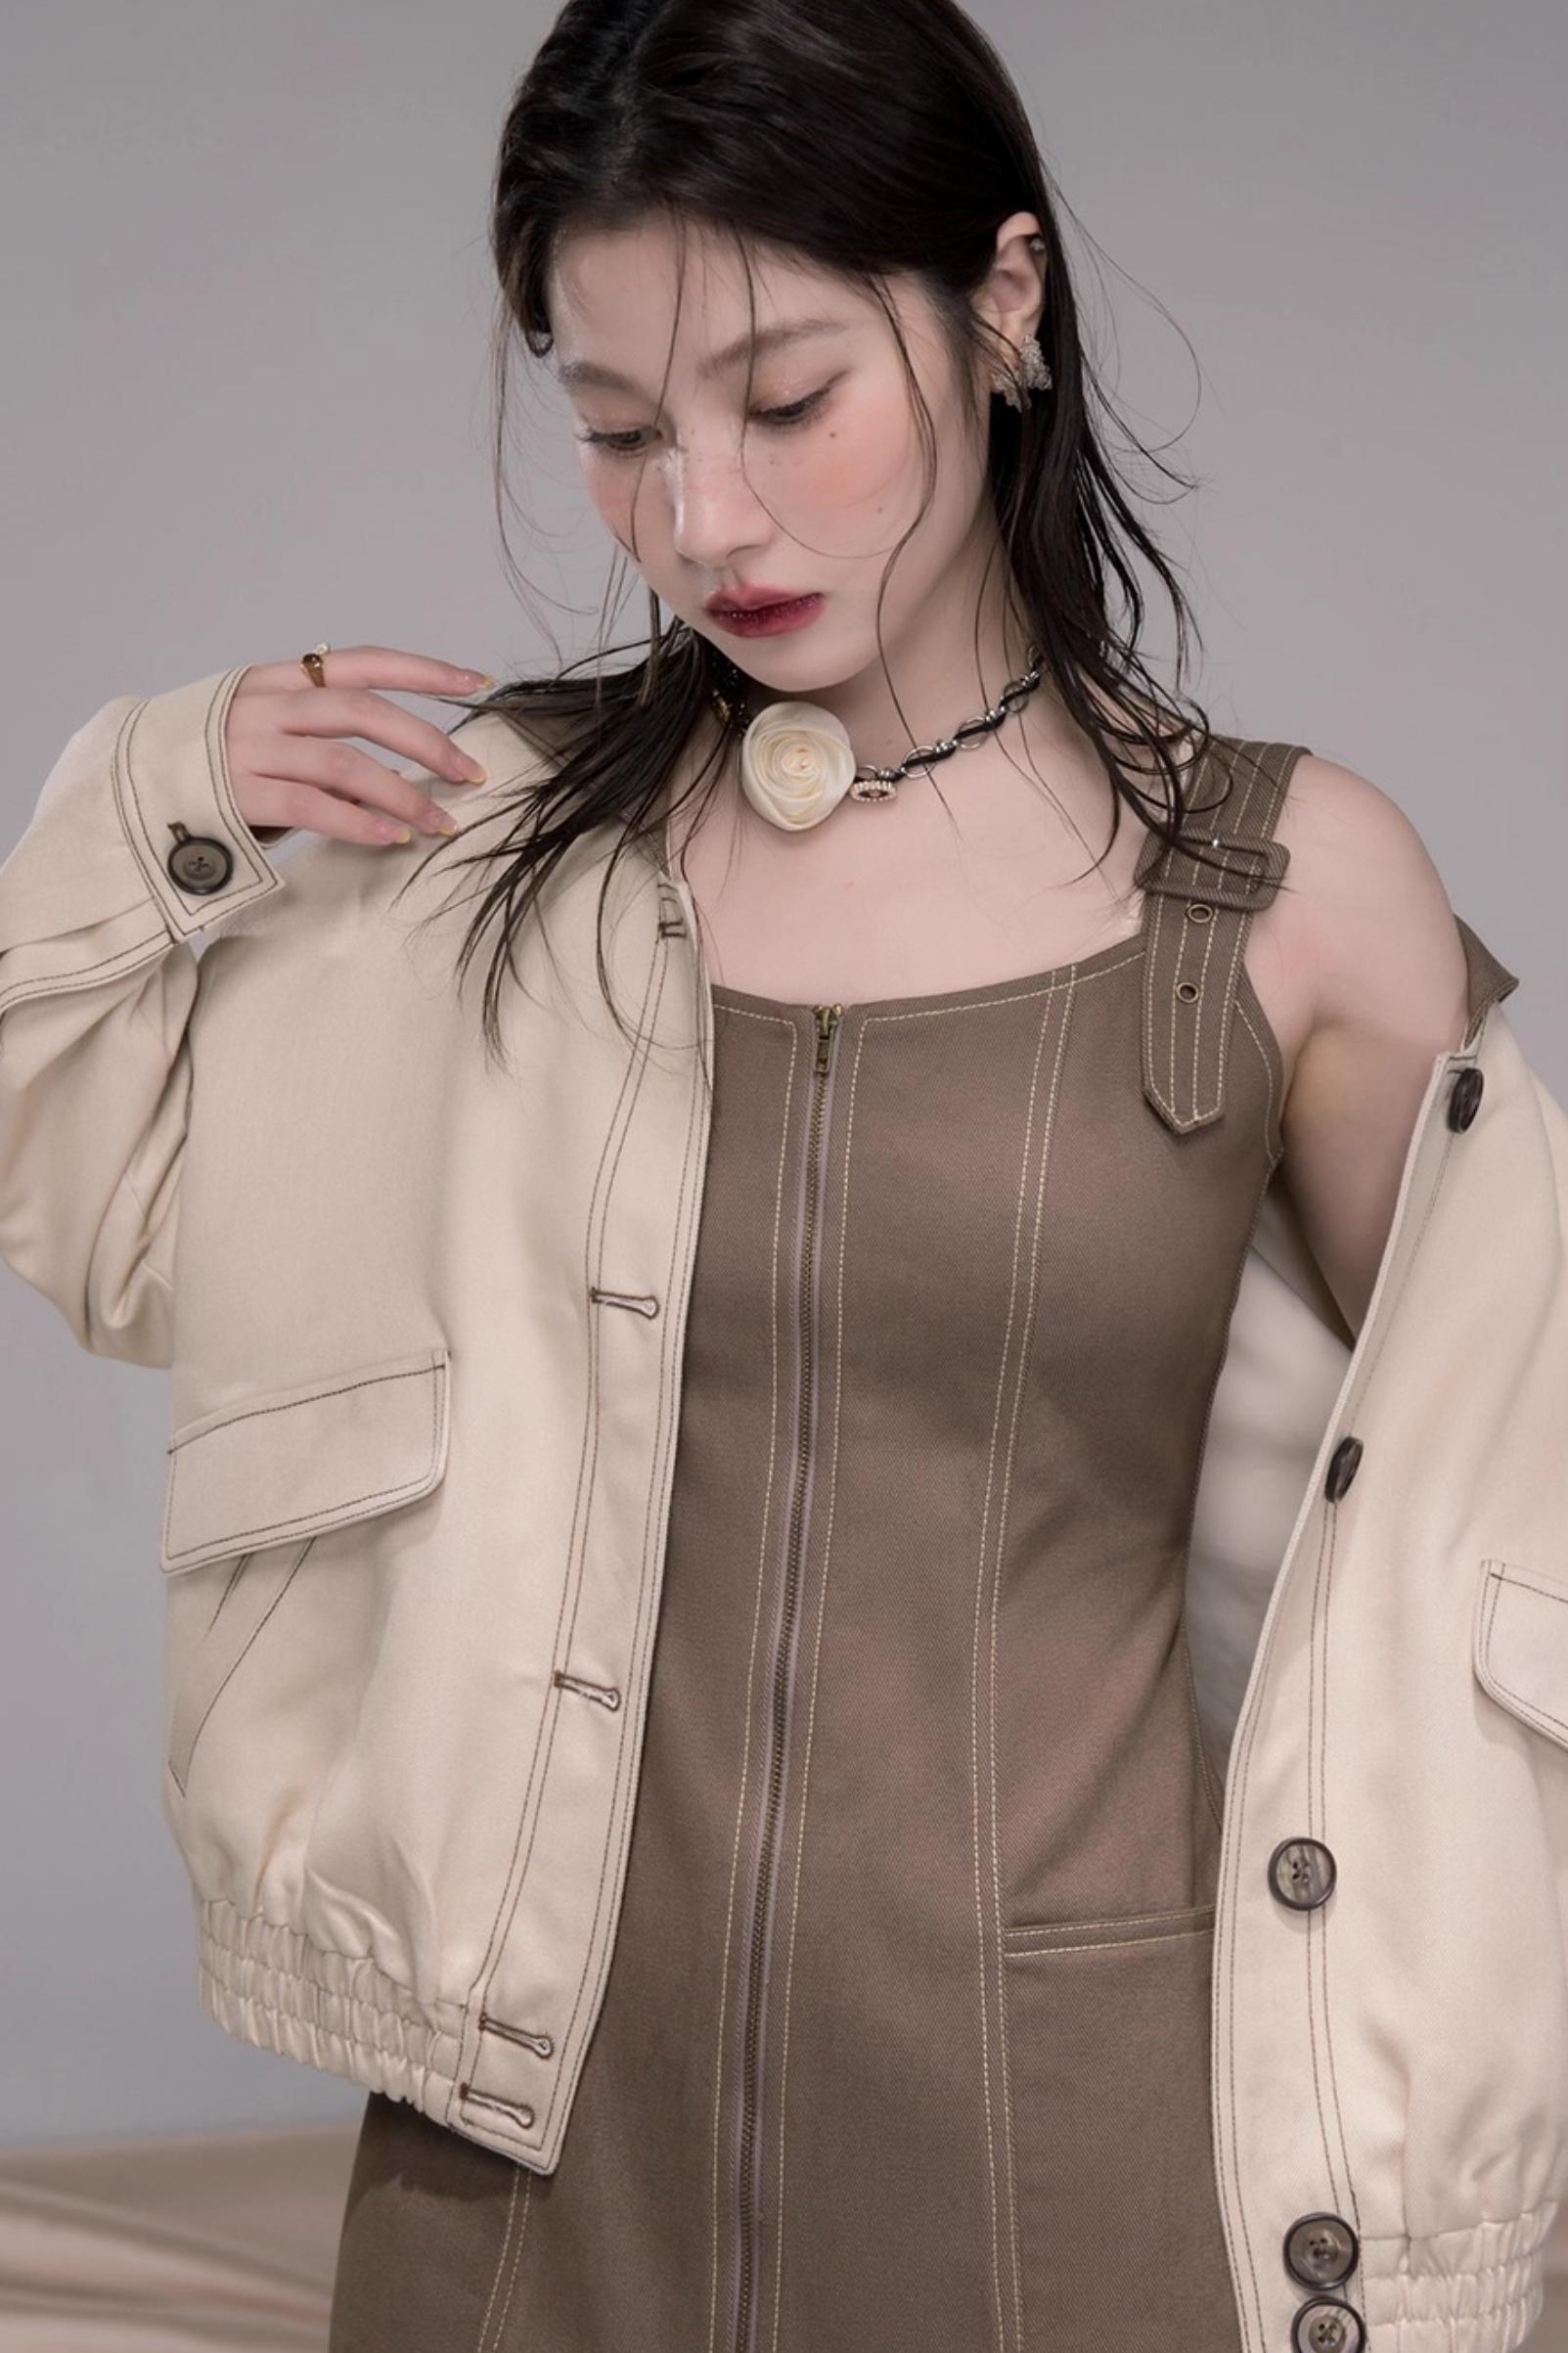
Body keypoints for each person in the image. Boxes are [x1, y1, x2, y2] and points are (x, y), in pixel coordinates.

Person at [0, 1, 1536, 2350]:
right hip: (518, 2181)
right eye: (618, 429)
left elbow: (1498, 1559)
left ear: (1000, 302)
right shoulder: (474, 858)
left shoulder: (1294, 896)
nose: (701, 521)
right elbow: (101, 1219)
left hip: (1081, 2184)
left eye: (786, 399)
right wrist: (163, 806)